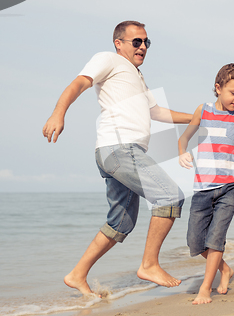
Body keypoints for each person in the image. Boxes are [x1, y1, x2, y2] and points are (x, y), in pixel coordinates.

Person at [42, 20, 192, 297]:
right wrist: (58, 113)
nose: (143, 46)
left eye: (147, 42)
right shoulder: (108, 59)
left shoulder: (136, 76)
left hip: (120, 153)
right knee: (170, 195)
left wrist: (199, 118)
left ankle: (77, 274)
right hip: (119, 149)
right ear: (119, 43)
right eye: (137, 41)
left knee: (121, 222)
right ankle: (149, 265)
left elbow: (157, 112)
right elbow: (79, 83)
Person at [178, 63, 234, 304]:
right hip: (203, 188)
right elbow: (184, 138)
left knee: (216, 238)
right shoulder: (204, 110)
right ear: (218, 88)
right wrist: (182, 152)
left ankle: (205, 288)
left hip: (231, 186)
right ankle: (225, 269)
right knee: (195, 241)